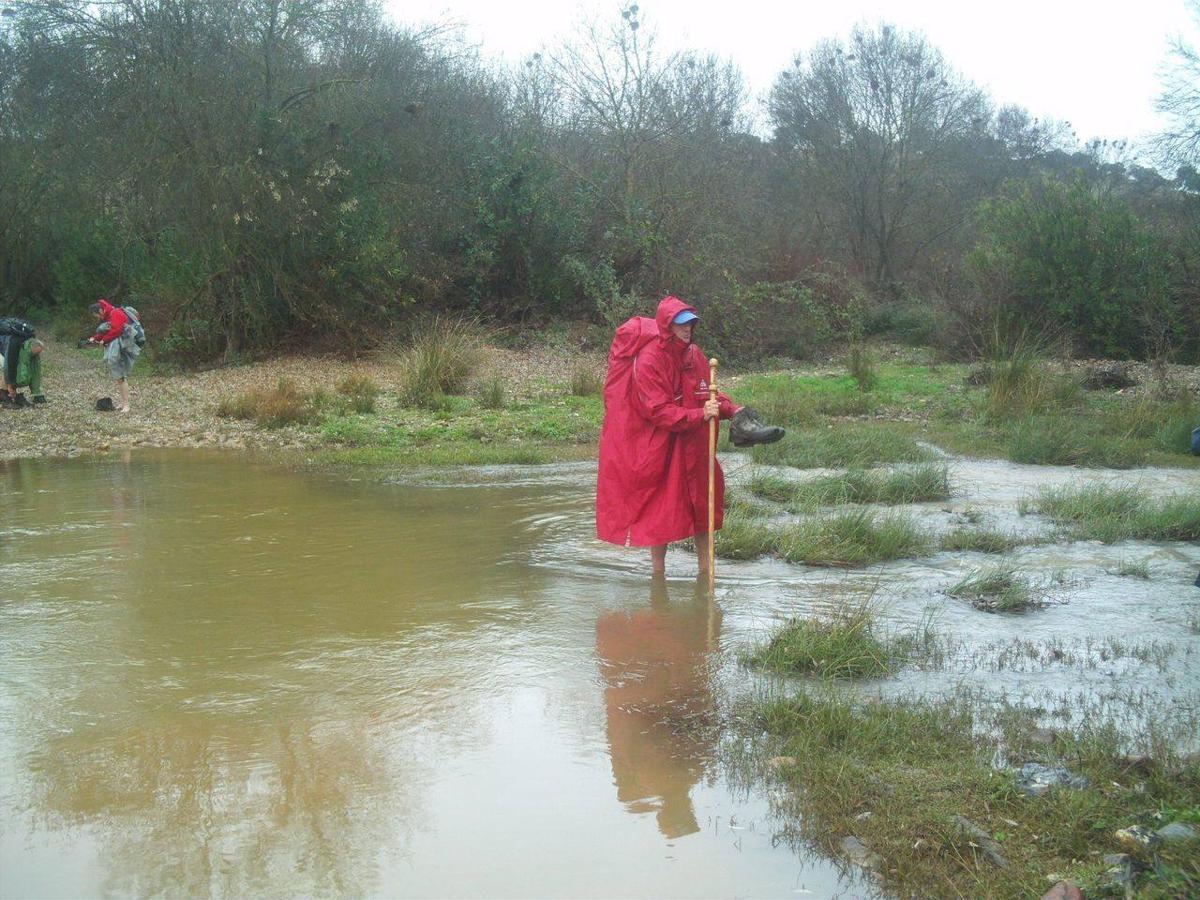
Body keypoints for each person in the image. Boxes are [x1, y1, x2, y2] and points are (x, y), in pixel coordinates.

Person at [596, 296, 737, 575]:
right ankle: (657, 575)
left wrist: (732, 409)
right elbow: (657, 410)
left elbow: (707, 392)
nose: (688, 329)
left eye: (691, 324)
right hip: (661, 445)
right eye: (681, 324)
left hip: (693, 444)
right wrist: (701, 415)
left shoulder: (694, 354)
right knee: (659, 511)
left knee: (703, 506)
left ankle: (705, 571)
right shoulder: (648, 360)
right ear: (667, 325)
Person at [89, 299, 140, 413]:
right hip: (116, 348)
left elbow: (116, 330)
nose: (97, 318)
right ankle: (123, 403)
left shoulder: (115, 313)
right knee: (119, 378)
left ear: (101, 310)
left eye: (96, 315)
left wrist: (103, 340)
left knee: (121, 377)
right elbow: (108, 329)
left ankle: (126, 405)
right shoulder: (109, 314)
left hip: (121, 349)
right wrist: (96, 338)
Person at [0, 317, 44, 406]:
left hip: (8, 344)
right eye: (33, 354)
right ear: (29, 349)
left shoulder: (30, 338)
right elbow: (9, 365)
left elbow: (35, 371)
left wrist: (36, 392)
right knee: (6, 366)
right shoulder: (15, 343)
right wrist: (10, 385)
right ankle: (5, 395)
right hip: (4, 345)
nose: (33, 356)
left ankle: (9, 395)